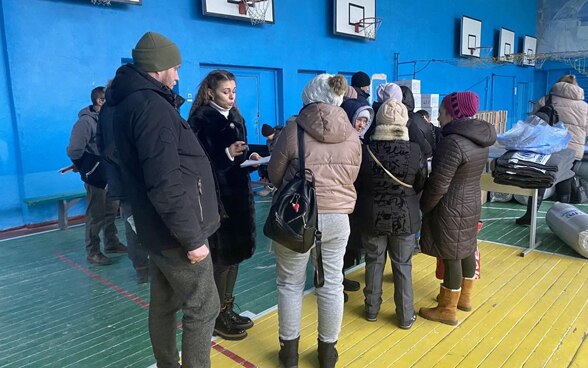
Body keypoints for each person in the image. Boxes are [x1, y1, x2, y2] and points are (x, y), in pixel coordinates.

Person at [109, 32, 220, 368]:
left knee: (164, 303)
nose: (178, 75)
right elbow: (165, 181)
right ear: (158, 69)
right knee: (203, 306)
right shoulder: (151, 108)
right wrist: (192, 238)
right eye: (175, 67)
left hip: (153, 226)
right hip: (175, 231)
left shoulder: (126, 103)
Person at [268, 74, 361, 368]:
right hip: (337, 218)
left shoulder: (295, 128)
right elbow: (353, 175)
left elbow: (273, 174)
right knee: (332, 283)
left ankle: (289, 353)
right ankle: (327, 353)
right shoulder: (352, 132)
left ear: (308, 96)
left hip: (298, 217)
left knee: (290, 284)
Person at [188, 70, 258, 341]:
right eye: (225, 91)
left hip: (239, 197)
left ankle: (227, 308)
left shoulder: (237, 117)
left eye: (234, 91)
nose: (231, 96)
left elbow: (240, 149)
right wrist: (227, 155)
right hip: (217, 201)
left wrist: (250, 155)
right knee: (221, 260)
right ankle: (216, 316)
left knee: (235, 257)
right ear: (210, 92)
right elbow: (197, 165)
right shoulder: (200, 120)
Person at [418, 91, 496, 326]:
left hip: (450, 205)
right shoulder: (480, 139)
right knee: (467, 247)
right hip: (471, 200)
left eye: (441, 112)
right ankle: (465, 298)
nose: (438, 117)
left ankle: (447, 309)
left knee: (451, 254)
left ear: (453, 113)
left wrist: (424, 206)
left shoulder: (452, 142)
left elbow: (439, 184)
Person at [355, 98, 427, 328]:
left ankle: (371, 309)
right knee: (403, 265)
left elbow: (359, 183)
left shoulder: (366, 151)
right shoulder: (415, 151)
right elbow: (420, 182)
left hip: (372, 216)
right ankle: (405, 316)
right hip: (404, 217)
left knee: (374, 262)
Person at [516, 74, 588, 225]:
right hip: (572, 148)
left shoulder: (546, 99)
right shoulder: (584, 106)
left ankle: (530, 215)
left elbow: (533, 123)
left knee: (540, 178)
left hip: (548, 146)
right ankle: (564, 218)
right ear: (576, 86)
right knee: (566, 177)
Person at [67, 86, 126, 266]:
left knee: (110, 211)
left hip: (111, 173)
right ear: (100, 101)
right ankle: (92, 252)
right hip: (96, 176)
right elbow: (74, 149)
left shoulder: (109, 118)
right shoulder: (85, 122)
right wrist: (83, 166)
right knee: (96, 214)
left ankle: (111, 243)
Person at [97, 82, 150, 283]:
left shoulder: (105, 111)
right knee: (144, 222)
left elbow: (101, 144)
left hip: (120, 179)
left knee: (131, 223)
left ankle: (141, 268)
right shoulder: (131, 107)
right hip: (138, 177)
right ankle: (149, 266)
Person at [340, 97, 375, 300]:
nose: (361, 124)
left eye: (364, 120)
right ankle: (332, 284)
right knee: (337, 246)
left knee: (349, 244)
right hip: (341, 201)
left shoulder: (361, 143)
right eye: (358, 119)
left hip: (355, 201)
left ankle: (341, 277)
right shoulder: (342, 143)